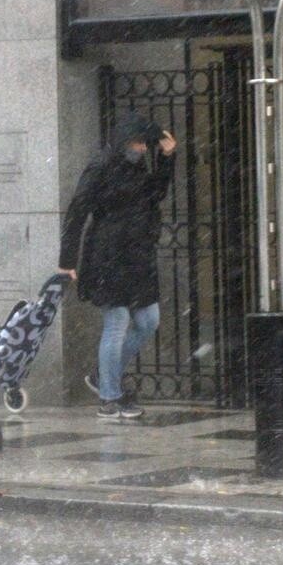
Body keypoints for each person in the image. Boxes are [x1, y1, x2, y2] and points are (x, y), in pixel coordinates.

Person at [58, 111, 177, 419]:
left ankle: (103, 377)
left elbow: (156, 193)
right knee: (118, 321)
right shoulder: (100, 166)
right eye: (138, 143)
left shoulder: (139, 168)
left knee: (148, 320)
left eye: (143, 144)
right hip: (108, 254)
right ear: (125, 141)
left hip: (137, 255)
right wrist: (67, 260)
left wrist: (167, 157)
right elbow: (78, 210)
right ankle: (110, 396)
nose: (141, 148)